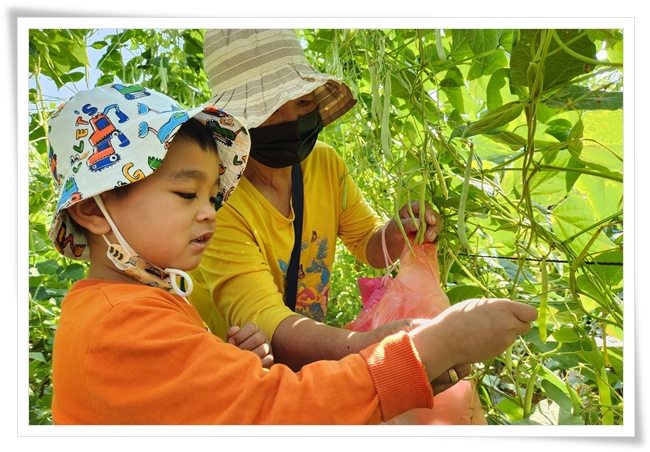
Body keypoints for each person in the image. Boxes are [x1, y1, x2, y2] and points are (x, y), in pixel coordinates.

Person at [46, 83, 538, 424]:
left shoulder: (139, 304)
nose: (210, 213)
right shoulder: (121, 326)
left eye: (212, 194)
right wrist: (428, 350)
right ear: (93, 209)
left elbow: (197, 402)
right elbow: (276, 415)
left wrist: (224, 364)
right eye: (185, 195)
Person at [189, 29, 443, 370]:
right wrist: (371, 348)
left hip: (312, 356)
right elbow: (262, 319)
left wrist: (394, 235)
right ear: (235, 120)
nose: (292, 120)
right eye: (270, 108)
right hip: (241, 371)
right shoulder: (217, 202)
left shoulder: (325, 163)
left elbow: (366, 241)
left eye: (303, 102)